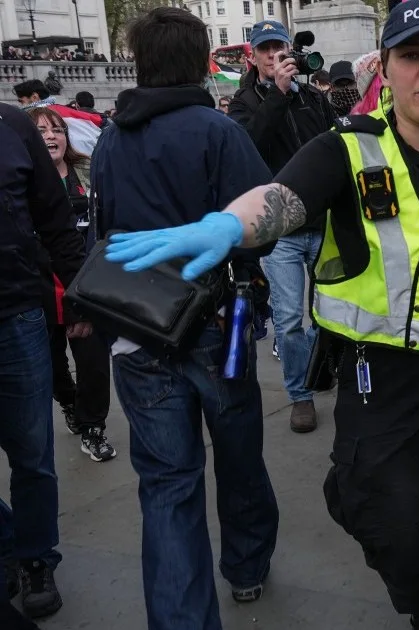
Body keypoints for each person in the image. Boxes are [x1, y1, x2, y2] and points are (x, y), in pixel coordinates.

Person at [103, 2, 419, 627]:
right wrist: (226, 224)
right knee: (394, 533)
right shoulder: (346, 147)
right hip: (381, 381)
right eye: (411, 57)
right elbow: (282, 199)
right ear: (389, 67)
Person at [90, 8, 280, 628]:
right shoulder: (216, 131)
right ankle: (247, 565)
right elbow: (259, 233)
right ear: (203, 61)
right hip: (214, 323)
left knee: (167, 487)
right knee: (239, 454)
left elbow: (104, 232)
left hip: (138, 326)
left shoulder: (112, 138)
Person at [0, 94, 90, 623]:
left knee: (32, 455)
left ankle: (36, 557)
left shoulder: (12, 124)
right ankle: (11, 538)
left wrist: (79, 293)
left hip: (16, 317)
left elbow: (55, 220)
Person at [228, 19, 339, 433]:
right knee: (290, 319)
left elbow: (331, 147)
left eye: (280, 47)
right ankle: (300, 395)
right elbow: (250, 145)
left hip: (321, 220)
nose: (276, 55)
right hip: (280, 232)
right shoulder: (243, 103)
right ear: (253, 57)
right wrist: (277, 94)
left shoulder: (310, 96)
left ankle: (326, 372)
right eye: (267, 49)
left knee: (332, 311)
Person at [27, 106, 116, 462]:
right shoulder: (20, 181)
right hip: (40, 292)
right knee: (52, 367)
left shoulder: (88, 172)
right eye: (42, 130)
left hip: (86, 285)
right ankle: (68, 401)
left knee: (94, 363)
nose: (51, 136)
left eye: (57, 129)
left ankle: (93, 427)